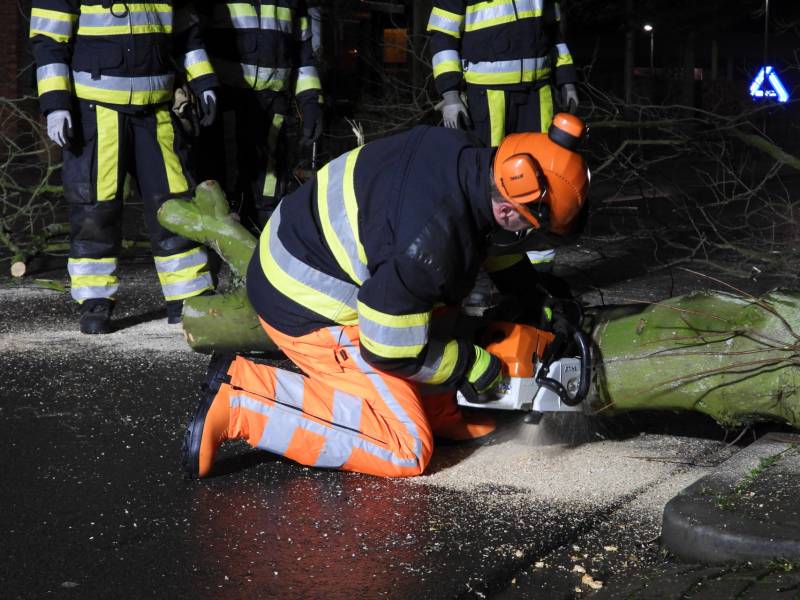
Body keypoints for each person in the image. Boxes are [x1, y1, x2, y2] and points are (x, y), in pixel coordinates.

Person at [181, 113, 590, 479]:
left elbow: (485, 238)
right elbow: (389, 349)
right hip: (307, 302)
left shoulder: (468, 158)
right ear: (509, 209)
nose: (527, 236)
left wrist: (529, 290)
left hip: (312, 246)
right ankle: (242, 400)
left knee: (438, 295)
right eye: (530, 227)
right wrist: (465, 363)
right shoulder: (426, 249)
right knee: (405, 448)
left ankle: (436, 406)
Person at [30, 0, 219, 333]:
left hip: (157, 111)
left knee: (174, 205)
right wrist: (56, 104)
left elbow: (188, 35)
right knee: (95, 208)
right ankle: (94, 301)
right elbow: (48, 41)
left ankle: (188, 297)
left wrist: (204, 84)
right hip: (96, 110)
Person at [427, 0, 579, 273]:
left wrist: (566, 79)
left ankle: (540, 270)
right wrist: (450, 93)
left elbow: (555, 32)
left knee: (544, 177)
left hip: (538, 92)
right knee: (491, 182)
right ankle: (490, 271)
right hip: (488, 97)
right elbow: (442, 36)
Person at [196, 0, 324, 230]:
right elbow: (193, 41)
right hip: (227, 96)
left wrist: (311, 101)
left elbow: (304, 54)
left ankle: (265, 232)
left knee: (270, 176)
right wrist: (200, 87)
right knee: (224, 173)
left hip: (274, 100)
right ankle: (221, 237)